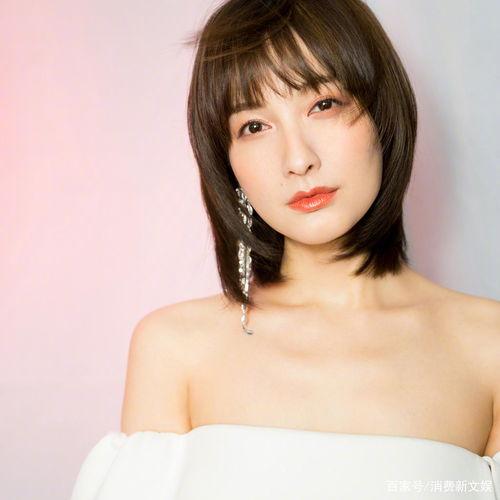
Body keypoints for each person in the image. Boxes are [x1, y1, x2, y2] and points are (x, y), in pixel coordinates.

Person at [70, 0, 500, 498]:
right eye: (254, 126)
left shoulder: (487, 346)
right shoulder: (174, 349)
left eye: (323, 104)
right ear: (227, 162)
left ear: (382, 112)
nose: (298, 159)